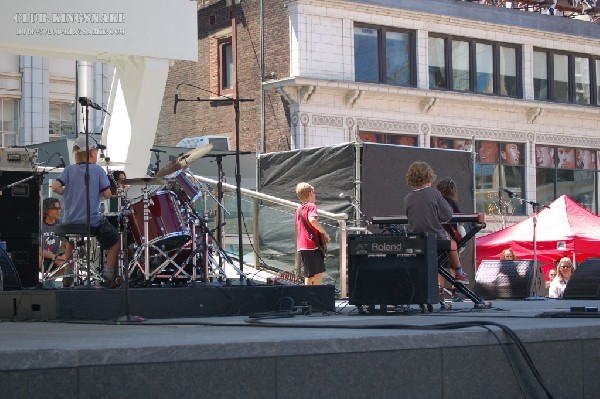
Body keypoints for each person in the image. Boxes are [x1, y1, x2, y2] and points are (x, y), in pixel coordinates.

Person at [51, 135, 121, 288]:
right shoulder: (97, 170)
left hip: (69, 222)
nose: (97, 154)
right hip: (91, 221)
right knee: (116, 239)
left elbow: (55, 187)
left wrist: (68, 192)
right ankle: (109, 274)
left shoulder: (69, 170)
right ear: (91, 153)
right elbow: (108, 194)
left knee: (71, 240)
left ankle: (68, 275)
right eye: (96, 151)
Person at [405, 162, 468, 283]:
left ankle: (438, 287)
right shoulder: (434, 193)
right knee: (452, 244)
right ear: (429, 177)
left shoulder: (408, 197)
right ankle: (459, 273)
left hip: (416, 240)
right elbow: (447, 215)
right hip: (435, 238)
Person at [295, 182, 331, 285]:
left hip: (302, 245)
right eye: (314, 193)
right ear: (311, 193)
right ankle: (316, 294)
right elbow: (312, 220)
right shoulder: (311, 206)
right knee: (318, 272)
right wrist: (324, 232)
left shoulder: (299, 209)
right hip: (312, 245)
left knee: (309, 274)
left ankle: (308, 296)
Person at [39, 197, 67, 280]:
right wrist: (54, 257)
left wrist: (64, 256)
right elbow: (36, 248)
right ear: (46, 210)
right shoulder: (39, 224)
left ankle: (50, 281)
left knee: (68, 261)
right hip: (43, 257)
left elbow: (67, 242)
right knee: (38, 258)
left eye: (59, 208)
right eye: (55, 208)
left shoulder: (60, 223)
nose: (58, 211)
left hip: (56, 258)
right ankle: (35, 284)